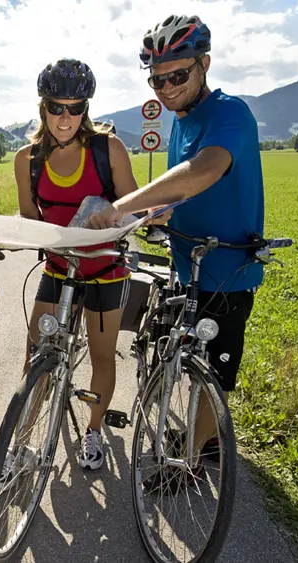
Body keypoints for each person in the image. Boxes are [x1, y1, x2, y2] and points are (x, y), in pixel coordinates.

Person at [87, 15, 266, 466]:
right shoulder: (181, 122)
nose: (165, 88)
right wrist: (155, 213)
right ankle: (194, 437)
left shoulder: (230, 112)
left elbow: (204, 171)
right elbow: (185, 193)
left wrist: (122, 205)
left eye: (177, 75)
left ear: (204, 64)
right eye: (156, 80)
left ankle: (190, 457)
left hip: (227, 269)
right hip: (186, 263)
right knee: (180, 354)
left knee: (213, 376)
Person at [15, 58, 140, 471]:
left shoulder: (108, 150)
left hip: (106, 269)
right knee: (37, 356)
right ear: (43, 107)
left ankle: (93, 430)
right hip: (57, 269)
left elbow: (133, 207)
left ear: (86, 108)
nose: (65, 117)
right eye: (56, 106)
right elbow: (30, 219)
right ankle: (22, 441)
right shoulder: (28, 159)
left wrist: (112, 217)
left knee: (103, 356)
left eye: (75, 107)